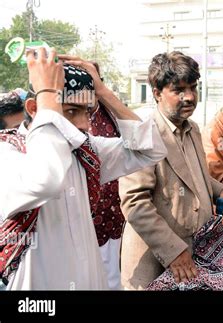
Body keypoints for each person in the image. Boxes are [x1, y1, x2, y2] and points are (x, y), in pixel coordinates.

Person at [0, 49, 168, 290]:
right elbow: (45, 180)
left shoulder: (86, 151)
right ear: (34, 108)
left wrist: (102, 91)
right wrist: (48, 94)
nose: (84, 124)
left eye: (87, 112)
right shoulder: (8, 153)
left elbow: (151, 150)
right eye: (70, 111)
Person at [119, 51, 223, 290]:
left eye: (193, 88)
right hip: (155, 261)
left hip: (194, 254)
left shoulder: (193, 129)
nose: (190, 97)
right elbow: (134, 204)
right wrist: (173, 250)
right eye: (179, 90)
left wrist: (221, 190)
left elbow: (197, 176)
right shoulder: (142, 135)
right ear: (157, 94)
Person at [82, 62, 126, 290]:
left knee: (113, 279)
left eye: (92, 80)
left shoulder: (111, 114)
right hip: (83, 220)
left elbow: (145, 144)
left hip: (115, 214)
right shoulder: (66, 117)